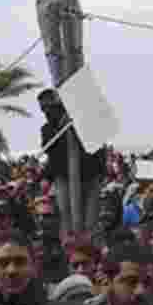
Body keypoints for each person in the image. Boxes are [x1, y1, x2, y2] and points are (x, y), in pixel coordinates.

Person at [38, 89, 104, 236]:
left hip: (90, 176)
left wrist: (100, 173)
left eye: (50, 106)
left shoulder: (84, 122)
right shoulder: (47, 129)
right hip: (64, 178)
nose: (47, 111)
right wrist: (46, 177)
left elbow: (98, 147)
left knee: (90, 222)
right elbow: (52, 154)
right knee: (68, 221)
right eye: (44, 108)